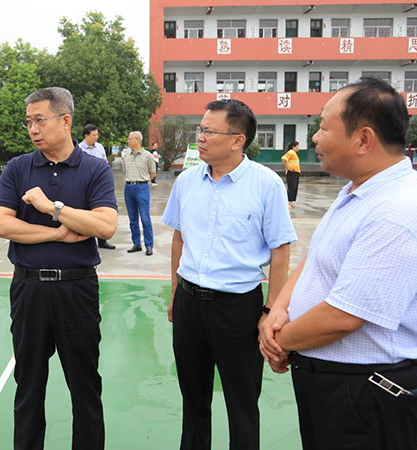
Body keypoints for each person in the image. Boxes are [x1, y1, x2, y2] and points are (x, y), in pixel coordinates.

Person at [259, 78, 417, 450]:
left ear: (363, 139)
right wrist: (278, 308)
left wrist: (278, 341)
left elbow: (343, 316)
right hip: (333, 383)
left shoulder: (398, 210)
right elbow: (317, 258)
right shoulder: (358, 189)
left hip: (367, 393)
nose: (315, 138)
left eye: (324, 128)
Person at [161, 99, 296, 450]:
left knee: (242, 403)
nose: (200, 138)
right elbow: (179, 239)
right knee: (193, 399)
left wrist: (271, 310)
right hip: (189, 303)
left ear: (238, 140)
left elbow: (281, 251)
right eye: (200, 129)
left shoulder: (266, 184)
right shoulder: (187, 181)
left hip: (238, 309)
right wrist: (175, 290)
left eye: (209, 131)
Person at [0, 87, 118, 450]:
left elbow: (105, 225)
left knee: (85, 386)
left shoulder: (94, 169)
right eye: (28, 121)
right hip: (28, 289)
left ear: (65, 121)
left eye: (39, 120)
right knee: (28, 386)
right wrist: (59, 233)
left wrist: (52, 208)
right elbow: (0, 224)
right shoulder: (18, 168)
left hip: (77, 290)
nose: (32, 129)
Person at [80, 123, 116, 250]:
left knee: (100, 210)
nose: (96, 137)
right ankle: (85, 239)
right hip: (84, 183)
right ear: (86, 136)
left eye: (97, 135)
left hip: (98, 184)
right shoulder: (78, 149)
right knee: (85, 212)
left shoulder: (100, 147)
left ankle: (102, 241)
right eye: (93, 135)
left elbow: (105, 163)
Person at [122, 131, 156, 256]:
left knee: (145, 219)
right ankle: (136, 244)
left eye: (130, 139)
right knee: (133, 219)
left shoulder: (148, 156)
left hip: (142, 187)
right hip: (128, 187)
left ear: (138, 140)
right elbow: (125, 170)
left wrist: (144, 181)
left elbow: (153, 172)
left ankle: (149, 245)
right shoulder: (126, 156)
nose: (128, 141)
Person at [281, 141, 301, 209]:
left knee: (294, 188)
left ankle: (291, 203)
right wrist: (287, 167)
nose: (298, 147)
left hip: (296, 172)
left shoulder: (293, 153)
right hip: (292, 172)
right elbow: (284, 158)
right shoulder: (291, 152)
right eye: (297, 146)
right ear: (294, 147)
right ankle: (287, 203)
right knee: (291, 187)